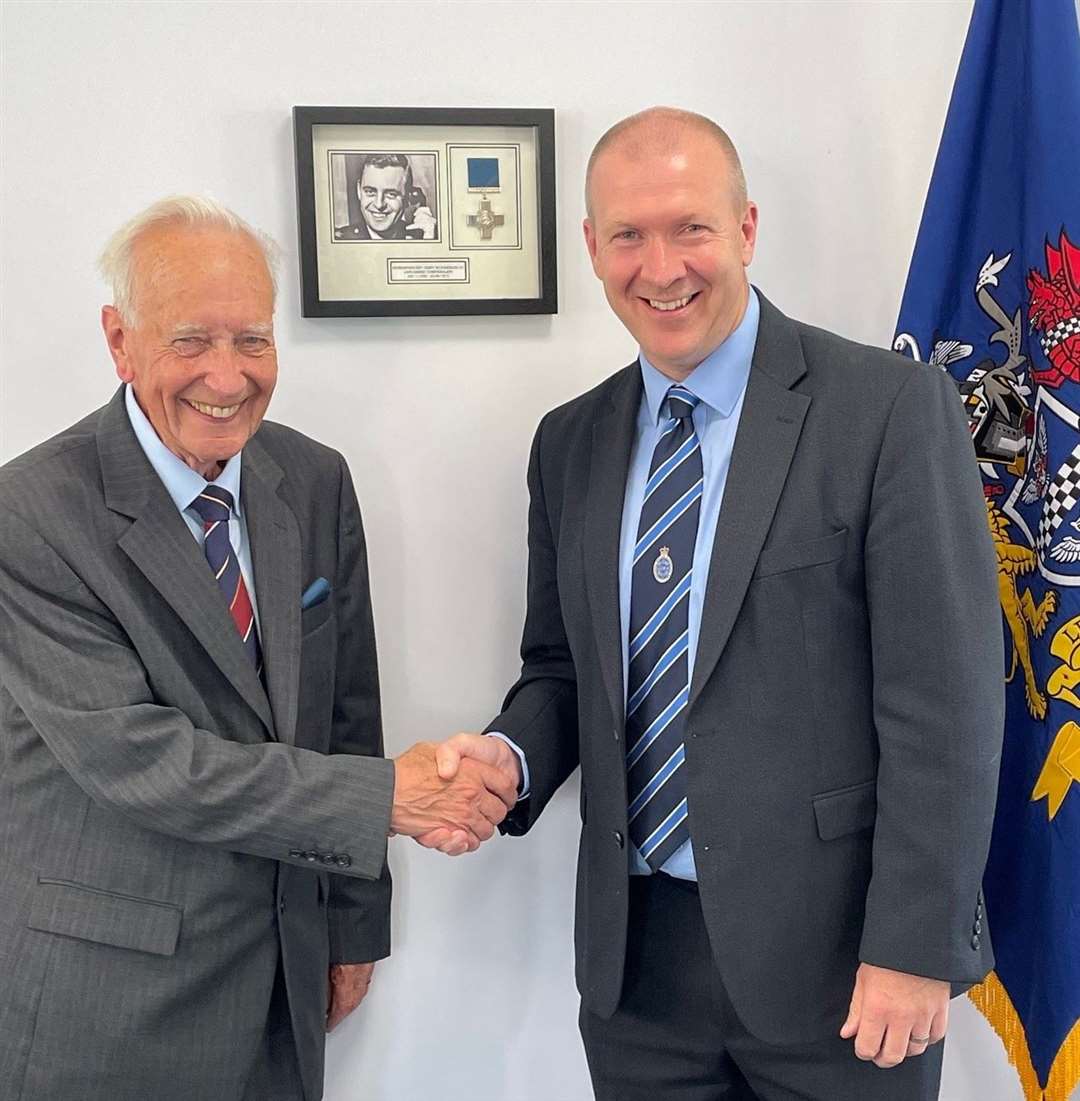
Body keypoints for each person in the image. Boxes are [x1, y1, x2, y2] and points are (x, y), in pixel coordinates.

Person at [431, 107, 1005, 1100]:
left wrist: (914, 946)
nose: (662, 268)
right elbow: (563, 670)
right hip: (636, 975)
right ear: (591, 248)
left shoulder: (887, 411)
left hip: (841, 969)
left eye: (690, 227)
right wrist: (511, 755)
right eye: (629, 236)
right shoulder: (569, 443)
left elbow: (944, 704)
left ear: (745, 229)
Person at [0, 196, 515, 1101]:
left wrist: (353, 927)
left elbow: (346, 711)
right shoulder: (30, 515)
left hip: (283, 983)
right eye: (191, 341)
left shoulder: (312, 479)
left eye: (254, 341)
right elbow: (143, 761)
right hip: (111, 1006)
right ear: (120, 341)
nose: (228, 377)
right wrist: (394, 796)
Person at [333, 153, 437, 241]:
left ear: (407, 197)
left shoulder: (419, 237)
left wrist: (428, 242)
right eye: (370, 192)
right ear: (359, 191)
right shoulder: (339, 240)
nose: (379, 204)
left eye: (391, 194)